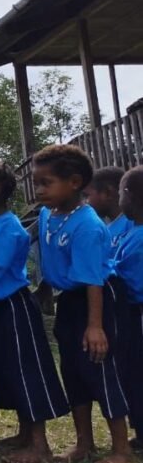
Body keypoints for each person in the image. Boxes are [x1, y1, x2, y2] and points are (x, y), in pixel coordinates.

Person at [0, 161, 69, 463]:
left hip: (14, 307)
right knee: (7, 370)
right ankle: (24, 434)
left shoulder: (9, 227)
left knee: (26, 371)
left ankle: (40, 445)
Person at [34, 144, 130, 463]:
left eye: (46, 183)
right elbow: (54, 258)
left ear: (74, 182)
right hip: (70, 300)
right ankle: (83, 444)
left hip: (97, 298)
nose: (39, 190)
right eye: (37, 183)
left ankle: (121, 449)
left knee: (100, 369)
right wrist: (45, 287)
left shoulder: (87, 225)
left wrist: (95, 326)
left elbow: (93, 280)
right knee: (73, 370)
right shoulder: (47, 214)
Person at [112, 166, 143, 449]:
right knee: (132, 373)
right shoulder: (132, 231)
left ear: (128, 194)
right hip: (131, 315)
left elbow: (130, 277)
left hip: (138, 312)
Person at [87, 166, 133, 250]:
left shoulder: (132, 224)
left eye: (86, 196)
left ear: (107, 193)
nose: (84, 203)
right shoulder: (103, 228)